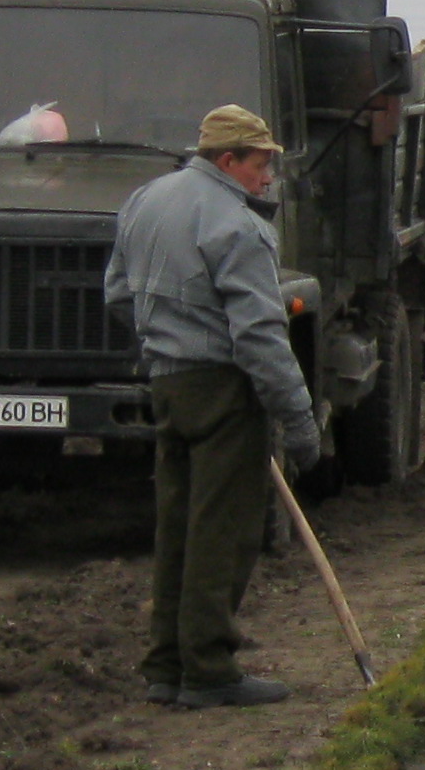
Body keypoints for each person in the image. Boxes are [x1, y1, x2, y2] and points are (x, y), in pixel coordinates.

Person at [103, 103, 321, 710]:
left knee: (176, 526)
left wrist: (162, 342)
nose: (268, 177)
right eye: (260, 164)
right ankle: (208, 669)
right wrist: (299, 419)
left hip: (167, 385)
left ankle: (165, 668)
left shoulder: (145, 200)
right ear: (228, 161)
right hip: (223, 389)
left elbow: (118, 292)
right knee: (221, 531)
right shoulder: (237, 224)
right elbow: (258, 333)